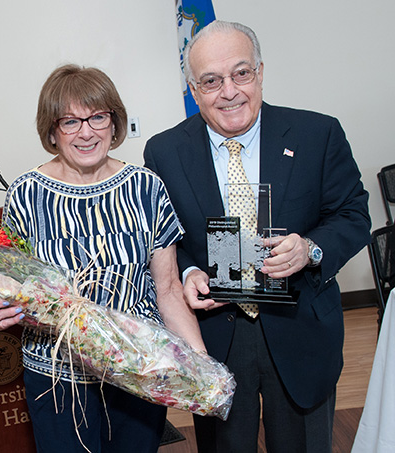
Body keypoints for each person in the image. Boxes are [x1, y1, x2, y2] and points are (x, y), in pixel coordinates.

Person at [143, 20, 370, 452]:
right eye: (211, 80)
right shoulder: (164, 151)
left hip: (300, 323)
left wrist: (310, 248)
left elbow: (352, 214)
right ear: (193, 89)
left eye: (241, 73)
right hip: (216, 333)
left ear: (260, 72)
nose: (228, 91)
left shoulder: (317, 134)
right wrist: (189, 270)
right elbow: (169, 237)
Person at [0, 64, 206, 452]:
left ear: (114, 122)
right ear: (52, 131)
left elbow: (169, 289)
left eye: (97, 116)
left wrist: (199, 362)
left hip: (138, 366)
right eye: (70, 121)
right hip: (57, 378)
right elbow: (7, 288)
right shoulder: (26, 194)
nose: (86, 131)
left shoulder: (147, 187)